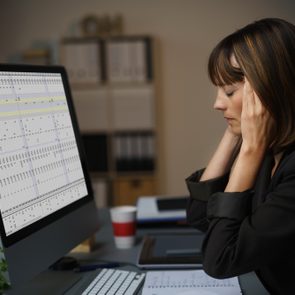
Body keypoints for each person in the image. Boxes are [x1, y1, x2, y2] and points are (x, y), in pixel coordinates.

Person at [186, 18, 295, 294]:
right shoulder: (273, 153)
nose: (217, 103)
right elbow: (201, 216)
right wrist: (235, 134)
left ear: (271, 88)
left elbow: (220, 258)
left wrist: (250, 149)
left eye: (229, 91)